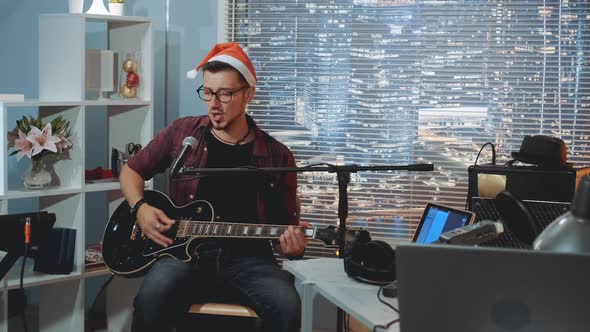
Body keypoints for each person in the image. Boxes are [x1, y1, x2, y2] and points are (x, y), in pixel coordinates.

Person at [119, 42, 308, 332]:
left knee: (288, 305)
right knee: (150, 298)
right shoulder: (183, 134)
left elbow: (285, 229)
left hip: (250, 261)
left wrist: (293, 248)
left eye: (225, 93)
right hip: (183, 256)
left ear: (249, 95)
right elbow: (131, 171)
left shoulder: (277, 155)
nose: (213, 104)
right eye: (207, 92)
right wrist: (141, 208)